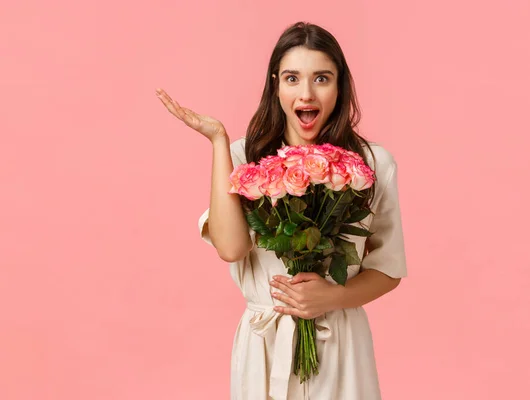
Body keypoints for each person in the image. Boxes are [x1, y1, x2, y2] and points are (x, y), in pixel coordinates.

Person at [156, 21, 407, 400]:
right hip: (264, 347)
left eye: (322, 78)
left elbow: (388, 269)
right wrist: (219, 142)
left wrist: (333, 297)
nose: (306, 93)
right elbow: (231, 248)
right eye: (292, 78)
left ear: (340, 86)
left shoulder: (372, 165)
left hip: (341, 343)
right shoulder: (245, 158)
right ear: (276, 85)